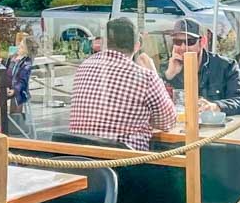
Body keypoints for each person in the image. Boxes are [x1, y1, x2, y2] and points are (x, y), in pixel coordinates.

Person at [70, 17, 176, 150]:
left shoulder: (83, 67)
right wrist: (154, 73)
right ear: (137, 46)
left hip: (80, 160)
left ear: (105, 42)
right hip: (124, 164)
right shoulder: (145, 77)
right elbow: (168, 122)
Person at [162, 17, 240, 116]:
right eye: (177, 42)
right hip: (179, 128)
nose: (183, 47)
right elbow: (155, 104)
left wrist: (216, 106)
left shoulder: (226, 66)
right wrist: (169, 76)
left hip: (216, 128)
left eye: (190, 42)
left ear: (202, 42)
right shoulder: (166, 68)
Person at [5, 32, 37, 119]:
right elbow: (5, 71)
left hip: (19, 90)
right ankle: (1, 122)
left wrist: (15, 90)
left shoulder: (26, 63)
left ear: (27, 52)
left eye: (22, 47)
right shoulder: (12, 57)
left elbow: (23, 80)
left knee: (13, 101)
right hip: (7, 86)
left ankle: (13, 123)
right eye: (20, 45)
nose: (19, 47)